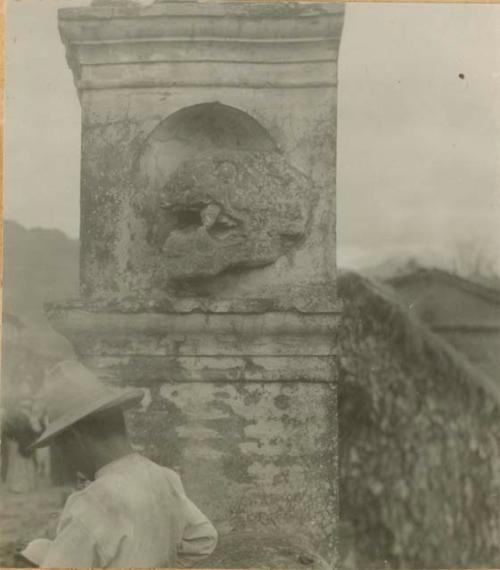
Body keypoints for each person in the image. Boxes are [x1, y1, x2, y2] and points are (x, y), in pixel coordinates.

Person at [25, 360, 218, 568]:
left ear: (76, 437)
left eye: (61, 444)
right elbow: (204, 538)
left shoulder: (91, 504)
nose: (65, 456)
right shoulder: (165, 478)